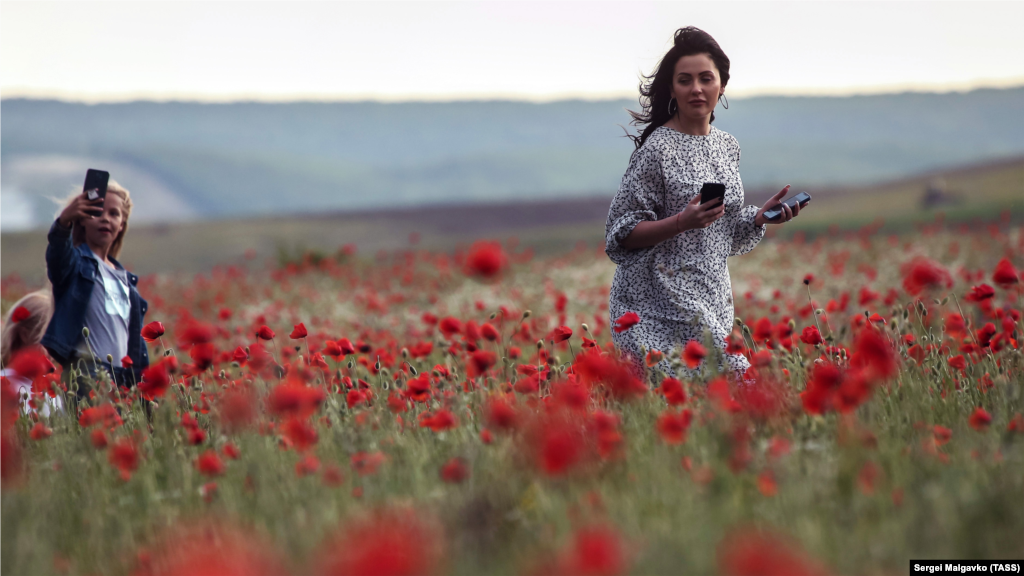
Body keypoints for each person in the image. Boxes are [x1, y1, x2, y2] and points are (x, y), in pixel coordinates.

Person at [605, 27, 801, 381]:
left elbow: (723, 229)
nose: (696, 88)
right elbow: (621, 234)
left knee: (716, 408)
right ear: (672, 89)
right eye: (685, 80)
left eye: (705, 78)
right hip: (654, 304)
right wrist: (681, 221)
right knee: (731, 387)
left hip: (709, 296)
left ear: (721, 86)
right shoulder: (656, 150)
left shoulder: (728, 146)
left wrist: (758, 218)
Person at [41, 180, 150, 394]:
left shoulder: (126, 281)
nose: (106, 219)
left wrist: (144, 388)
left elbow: (133, 342)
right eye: (97, 212)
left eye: (114, 214)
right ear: (82, 219)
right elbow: (58, 255)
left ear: (122, 224)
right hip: (86, 372)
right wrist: (64, 222)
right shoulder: (76, 265)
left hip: (124, 378)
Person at [0, 290, 64, 415]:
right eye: (50, 336)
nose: (56, 346)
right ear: (24, 334)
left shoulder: (51, 389)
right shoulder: (5, 383)